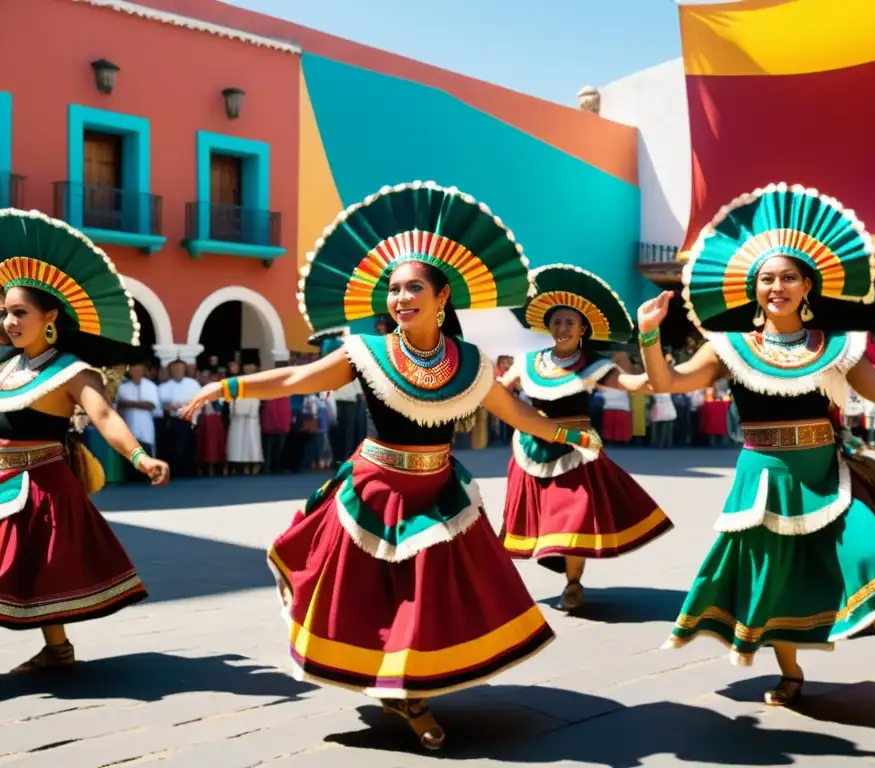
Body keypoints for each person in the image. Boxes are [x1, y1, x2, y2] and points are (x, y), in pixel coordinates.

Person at [180, 182, 601, 750]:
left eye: (413, 288)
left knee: (429, 599)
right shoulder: (366, 351)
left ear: (442, 297)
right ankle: (406, 696)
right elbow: (293, 379)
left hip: (439, 490)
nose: (401, 298)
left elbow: (519, 415)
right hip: (375, 491)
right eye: (395, 289)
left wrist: (571, 432)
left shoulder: (470, 363)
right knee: (376, 601)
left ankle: (409, 684)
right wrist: (226, 386)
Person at [637, 183, 875, 730]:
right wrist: (649, 335)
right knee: (773, 580)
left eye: (788, 276)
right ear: (754, 286)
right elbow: (667, 383)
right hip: (763, 482)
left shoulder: (837, 345)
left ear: (807, 285)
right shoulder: (728, 345)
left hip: (829, 477)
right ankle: (790, 673)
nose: (777, 286)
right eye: (767, 278)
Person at [0, 209, 169, 673]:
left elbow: (104, 415)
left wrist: (139, 456)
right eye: (5, 313)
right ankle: (57, 649)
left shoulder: (73, 371)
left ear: (49, 316)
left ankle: (57, 650)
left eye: (20, 313)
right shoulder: (5, 367)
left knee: (35, 569)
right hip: (3, 480)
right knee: (32, 572)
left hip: (39, 485)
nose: (10, 322)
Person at [499, 265, 672, 611]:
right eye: (557, 321)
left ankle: (573, 584)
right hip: (530, 451)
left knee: (573, 519)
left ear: (582, 329)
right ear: (548, 326)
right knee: (545, 523)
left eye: (570, 322)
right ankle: (561, 575)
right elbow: (497, 395)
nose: (562, 328)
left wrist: (652, 351)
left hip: (576, 452)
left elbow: (635, 385)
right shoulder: (527, 362)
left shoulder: (593, 365)